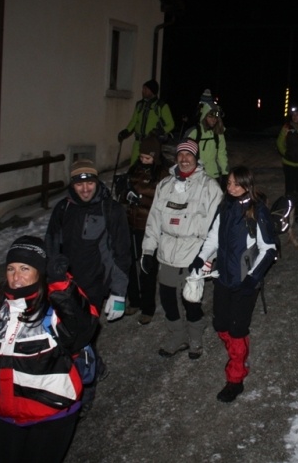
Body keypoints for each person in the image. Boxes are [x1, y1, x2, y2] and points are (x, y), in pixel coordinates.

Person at [0, 236, 98, 462]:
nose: (16, 277)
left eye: (25, 268)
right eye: (11, 269)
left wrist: (61, 285)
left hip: (52, 416)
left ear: (39, 272)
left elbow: (83, 327)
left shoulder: (52, 309)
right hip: (8, 418)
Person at [189, 166, 277, 403]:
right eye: (229, 183)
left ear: (248, 184)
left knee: (238, 329)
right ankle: (238, 355)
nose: (231, 188)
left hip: (245, 281)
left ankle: (235, 377)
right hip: (223, 277)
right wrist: (201, 257)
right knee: (220, 324)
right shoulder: (225, 206)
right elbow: (213, 237)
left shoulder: (257, 210)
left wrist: (252, 278)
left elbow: (269, 249)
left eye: (237, 184)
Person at [142, 139, 222, 360]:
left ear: (196, 158)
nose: (184, 159)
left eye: (189, 155)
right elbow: (154, 220)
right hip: (167, 252)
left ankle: (195, 336)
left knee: (191, 299)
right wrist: (148, 250)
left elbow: (216, 227)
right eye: (181, 155)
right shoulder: (165, 185)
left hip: (194, 253)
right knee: (168, 299)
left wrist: (208, 257)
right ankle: (178, 336)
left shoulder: (209, 186)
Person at [45, 159, 131, 319]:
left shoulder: (112, 210)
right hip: (66, 283)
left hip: (96, 285)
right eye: (79, 184)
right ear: (72, 185)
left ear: (97, 182)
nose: (85, 189)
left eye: (90, 183)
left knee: (86, 328)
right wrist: (52, 278)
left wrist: (118, 292)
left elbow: (122, 253)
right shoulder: (63, 208)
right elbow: (51, 245)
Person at [119, 136, 169, 325]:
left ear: (155, 157)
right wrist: (125, 193)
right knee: (130, 264)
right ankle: (134, 300)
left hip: (150, 227)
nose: (143, 160)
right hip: (131, 224)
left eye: (147, 158)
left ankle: (148, 307)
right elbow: (125, 192)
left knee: (147, 267)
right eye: (141, 157)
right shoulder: (136, 169)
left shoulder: (163, 174)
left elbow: (162, 199)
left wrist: (140, 198)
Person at [118, 79, 175, 166]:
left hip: (151, 143)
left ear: (152, 91)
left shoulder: (161, 106)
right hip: (138, 142)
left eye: (145, 89)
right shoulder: (140, 105)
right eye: (143, 89)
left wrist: (160, 131)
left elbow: (171, 124)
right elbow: (134, 121)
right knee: (133, 166)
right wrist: (126, 131)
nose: (143, 91)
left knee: (149, 167)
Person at [184, 89, 228, 184]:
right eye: (210, 116)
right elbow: (184, 154)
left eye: (216, 117)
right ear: (204, 116)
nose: (213, 120)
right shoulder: (194, 133)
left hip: (213, 174)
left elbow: (221, 154)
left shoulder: (218, 133)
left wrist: (225, 173)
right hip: (196, 174)